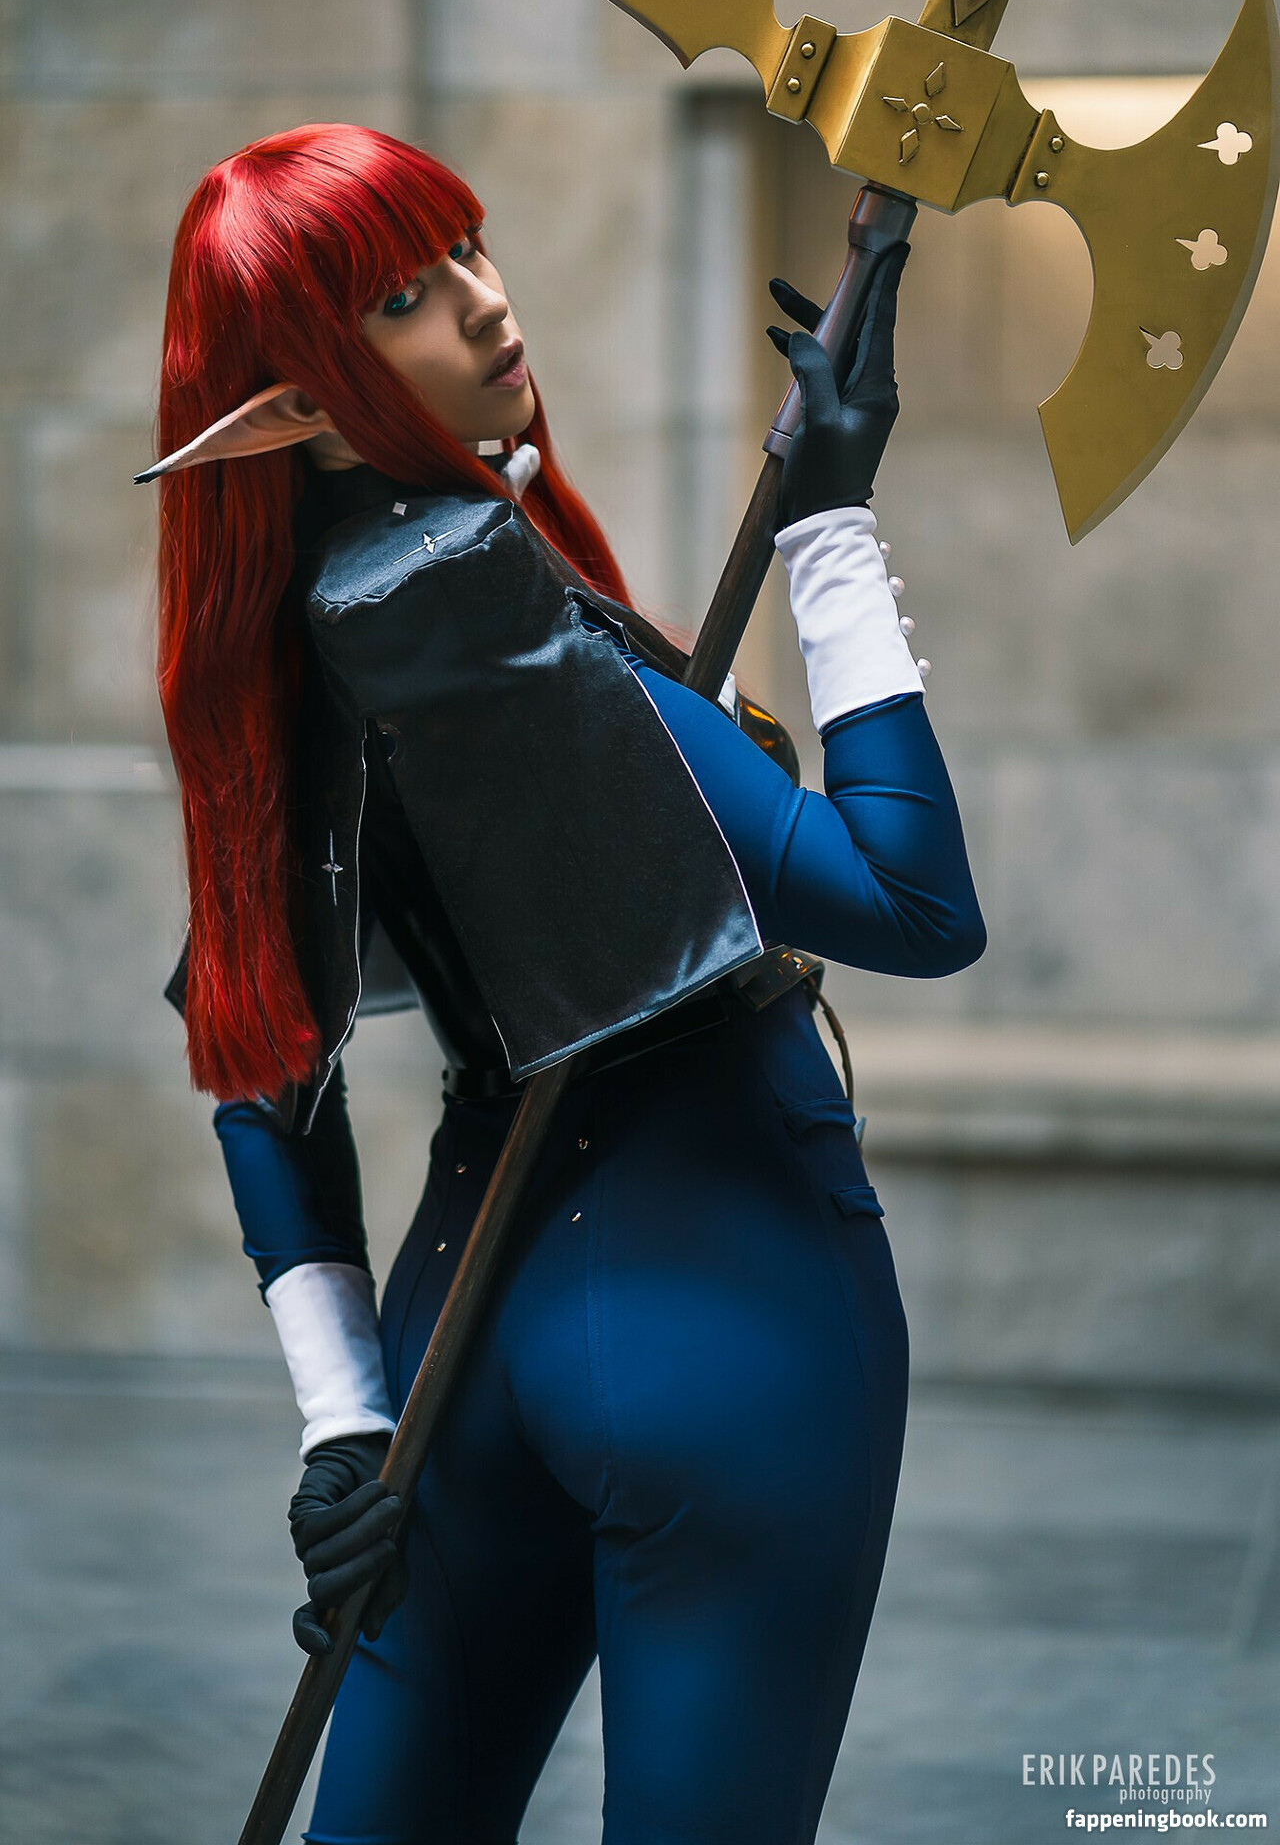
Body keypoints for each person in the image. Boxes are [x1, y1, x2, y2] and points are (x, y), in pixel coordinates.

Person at [147, 122, 985, 1845]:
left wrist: (343, 1421)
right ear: (294, 405)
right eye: (402, 298)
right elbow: (910, 899)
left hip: (462, 1340)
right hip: (731, 1301)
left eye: (466, 246)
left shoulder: (279, 646)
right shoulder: (481, 595)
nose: (482, 302)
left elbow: (253, 1062)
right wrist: (833, 522)